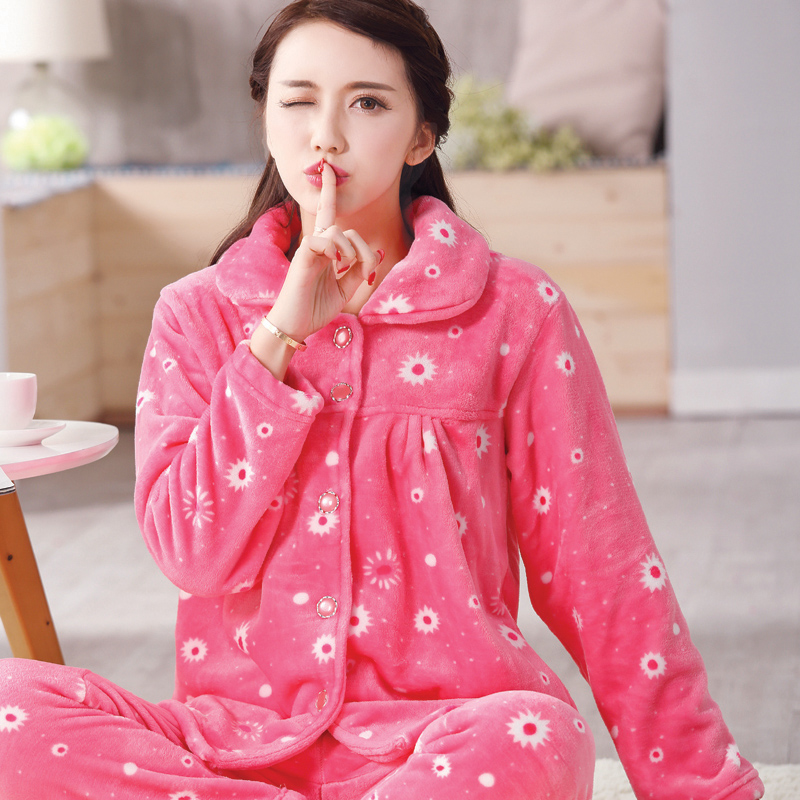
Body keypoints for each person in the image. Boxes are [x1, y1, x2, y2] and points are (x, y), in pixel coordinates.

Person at [0, 2, 764, 799]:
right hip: (234, 745)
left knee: (536, 735)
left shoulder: (514, 313)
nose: (325, 135)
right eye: (298, 101)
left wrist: (701, 788)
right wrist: (277, 339)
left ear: (422, 135)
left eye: (366, 102)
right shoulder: (198, 314)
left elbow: (602, 570)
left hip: (444, 742)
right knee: (9, 707)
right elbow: (190, 554)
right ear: (266, 119)